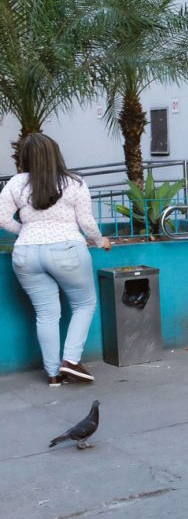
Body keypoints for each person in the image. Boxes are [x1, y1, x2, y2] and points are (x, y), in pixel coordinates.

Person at [0, 134, 111, 386]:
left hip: (26, 253)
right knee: (84, 304)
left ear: (24, 157)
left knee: (46, 314)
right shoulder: (74, 182)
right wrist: (98, 241)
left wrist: (26, 232)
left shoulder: (16, 183)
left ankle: (53, 375)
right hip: (66, 249)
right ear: (55, 154)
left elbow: (1, 217)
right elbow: (86, 222)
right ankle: (70, 361)